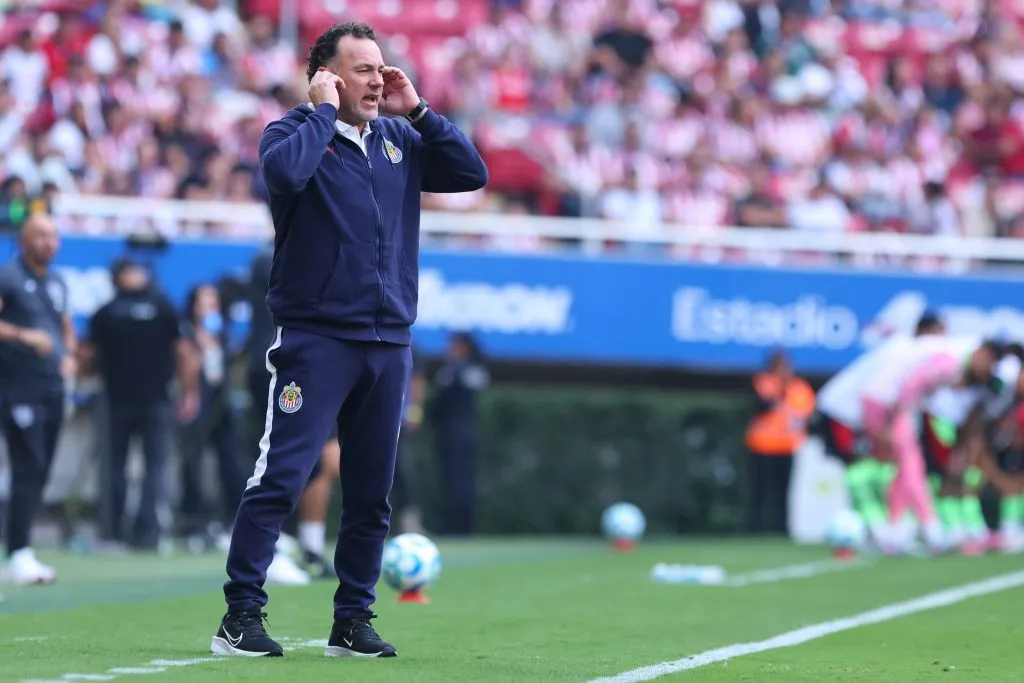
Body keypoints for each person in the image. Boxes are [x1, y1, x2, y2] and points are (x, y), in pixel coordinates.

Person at [212, 21, 487, 658]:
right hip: (316, 338)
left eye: (381, 66)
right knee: (281, 475)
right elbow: (286, 176)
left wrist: (418, 108)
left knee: (371, 492)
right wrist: (321, 111)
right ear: (328, 75)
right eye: (362, 68)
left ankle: (352, 620)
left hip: (389, 341)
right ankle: (240, 615)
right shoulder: (291, 133)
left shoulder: (399, 138)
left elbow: (471, 172)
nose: (378, 78)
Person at [81, 258, 195, 550]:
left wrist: (188, 391)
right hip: (132, 399)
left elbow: (87, 356)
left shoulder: (107, 312)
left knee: (139, 467)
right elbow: (184, 352)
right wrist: (189, 391)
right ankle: (131, 533)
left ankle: (127, 532)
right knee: (127, 467)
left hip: (131, 398)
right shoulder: (160, 307)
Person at [812, 312, 946, 546]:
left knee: (892, 470)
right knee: (861, 473)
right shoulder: (902, 350)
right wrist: (879, 431)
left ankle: (893, 528)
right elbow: (874, 390)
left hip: (866, 417)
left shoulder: (912, 353)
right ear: (926, 331)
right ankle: (881, 530)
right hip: (845, 413)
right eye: (939, 334)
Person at [861, 335, 1002, 554]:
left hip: (890, 401)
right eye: (988, 363)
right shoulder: (952, 361)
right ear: (982, 353)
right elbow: (912, 382)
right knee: (911, 464)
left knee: (903, 469)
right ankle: (930, 526)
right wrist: (896, 414)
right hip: (889, 403)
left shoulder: (954, 356)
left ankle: (896, 528)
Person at [0, 215, 76, 584]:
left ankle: (20, 549)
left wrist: (70, 354)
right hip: (17, 384)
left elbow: (64, 322)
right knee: (27, 462)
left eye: (54, 235)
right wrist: (23, 335)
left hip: (52, 385)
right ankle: (18, 552)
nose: (50, 241)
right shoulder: (9, 276)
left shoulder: (58, 281)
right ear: (24, 240)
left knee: (42, 467)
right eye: (42, 235)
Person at [744, 349, 815, 535]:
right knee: (759, 491)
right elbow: (759, 406)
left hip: (787, 446)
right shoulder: (764, 382)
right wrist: (779, 393)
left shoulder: (800, 388)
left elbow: (805, 415)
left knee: (784, 492)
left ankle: (782, 530)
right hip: (762, 444)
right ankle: (754, 529)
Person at [429, 333, 489, 536]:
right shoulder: (448, 370)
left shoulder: (469, 371)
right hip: (447, 434)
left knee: (462, 482)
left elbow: (476, 383)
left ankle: (461, 528)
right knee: (449, 481)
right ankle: (450, 525)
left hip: (462, 435)